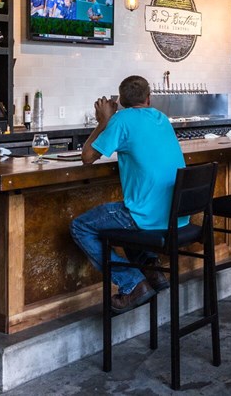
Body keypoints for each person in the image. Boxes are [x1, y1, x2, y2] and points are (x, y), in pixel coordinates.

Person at [71, 75, 186, 313]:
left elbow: (87, 158)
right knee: (130, 224)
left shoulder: (121, 120)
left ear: (120, 100)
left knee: (81, 227)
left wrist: (103, 121)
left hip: (146, 215)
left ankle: (133, 283)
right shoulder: (161, 118)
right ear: (149, 98)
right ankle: (151, 269)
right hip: (176, 215)